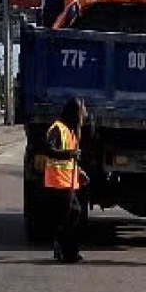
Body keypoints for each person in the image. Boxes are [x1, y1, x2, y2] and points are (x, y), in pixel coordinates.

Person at [44, 97, 89, 263]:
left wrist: (80, 172)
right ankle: (66, 250)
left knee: (71, 216)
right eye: (82, 110)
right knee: (69, 215)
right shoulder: (58, 128)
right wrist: (69, 154)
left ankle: (68, 251)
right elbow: (49, 150)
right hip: (57, 181)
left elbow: (72, 161)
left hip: (67, 180)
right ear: (74, 112)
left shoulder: (72, 131)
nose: (85, 114)